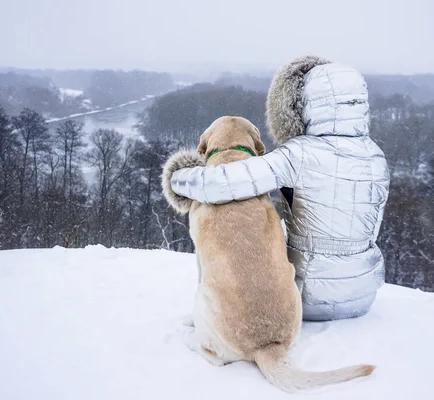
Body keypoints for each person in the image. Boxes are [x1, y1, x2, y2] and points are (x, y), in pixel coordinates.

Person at [165, 55, 390, 321]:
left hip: (305, 297)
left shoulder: (300, 154)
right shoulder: (376, 156)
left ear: (301, 104)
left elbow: (222, 183)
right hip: (363, 295)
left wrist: (178, 176)